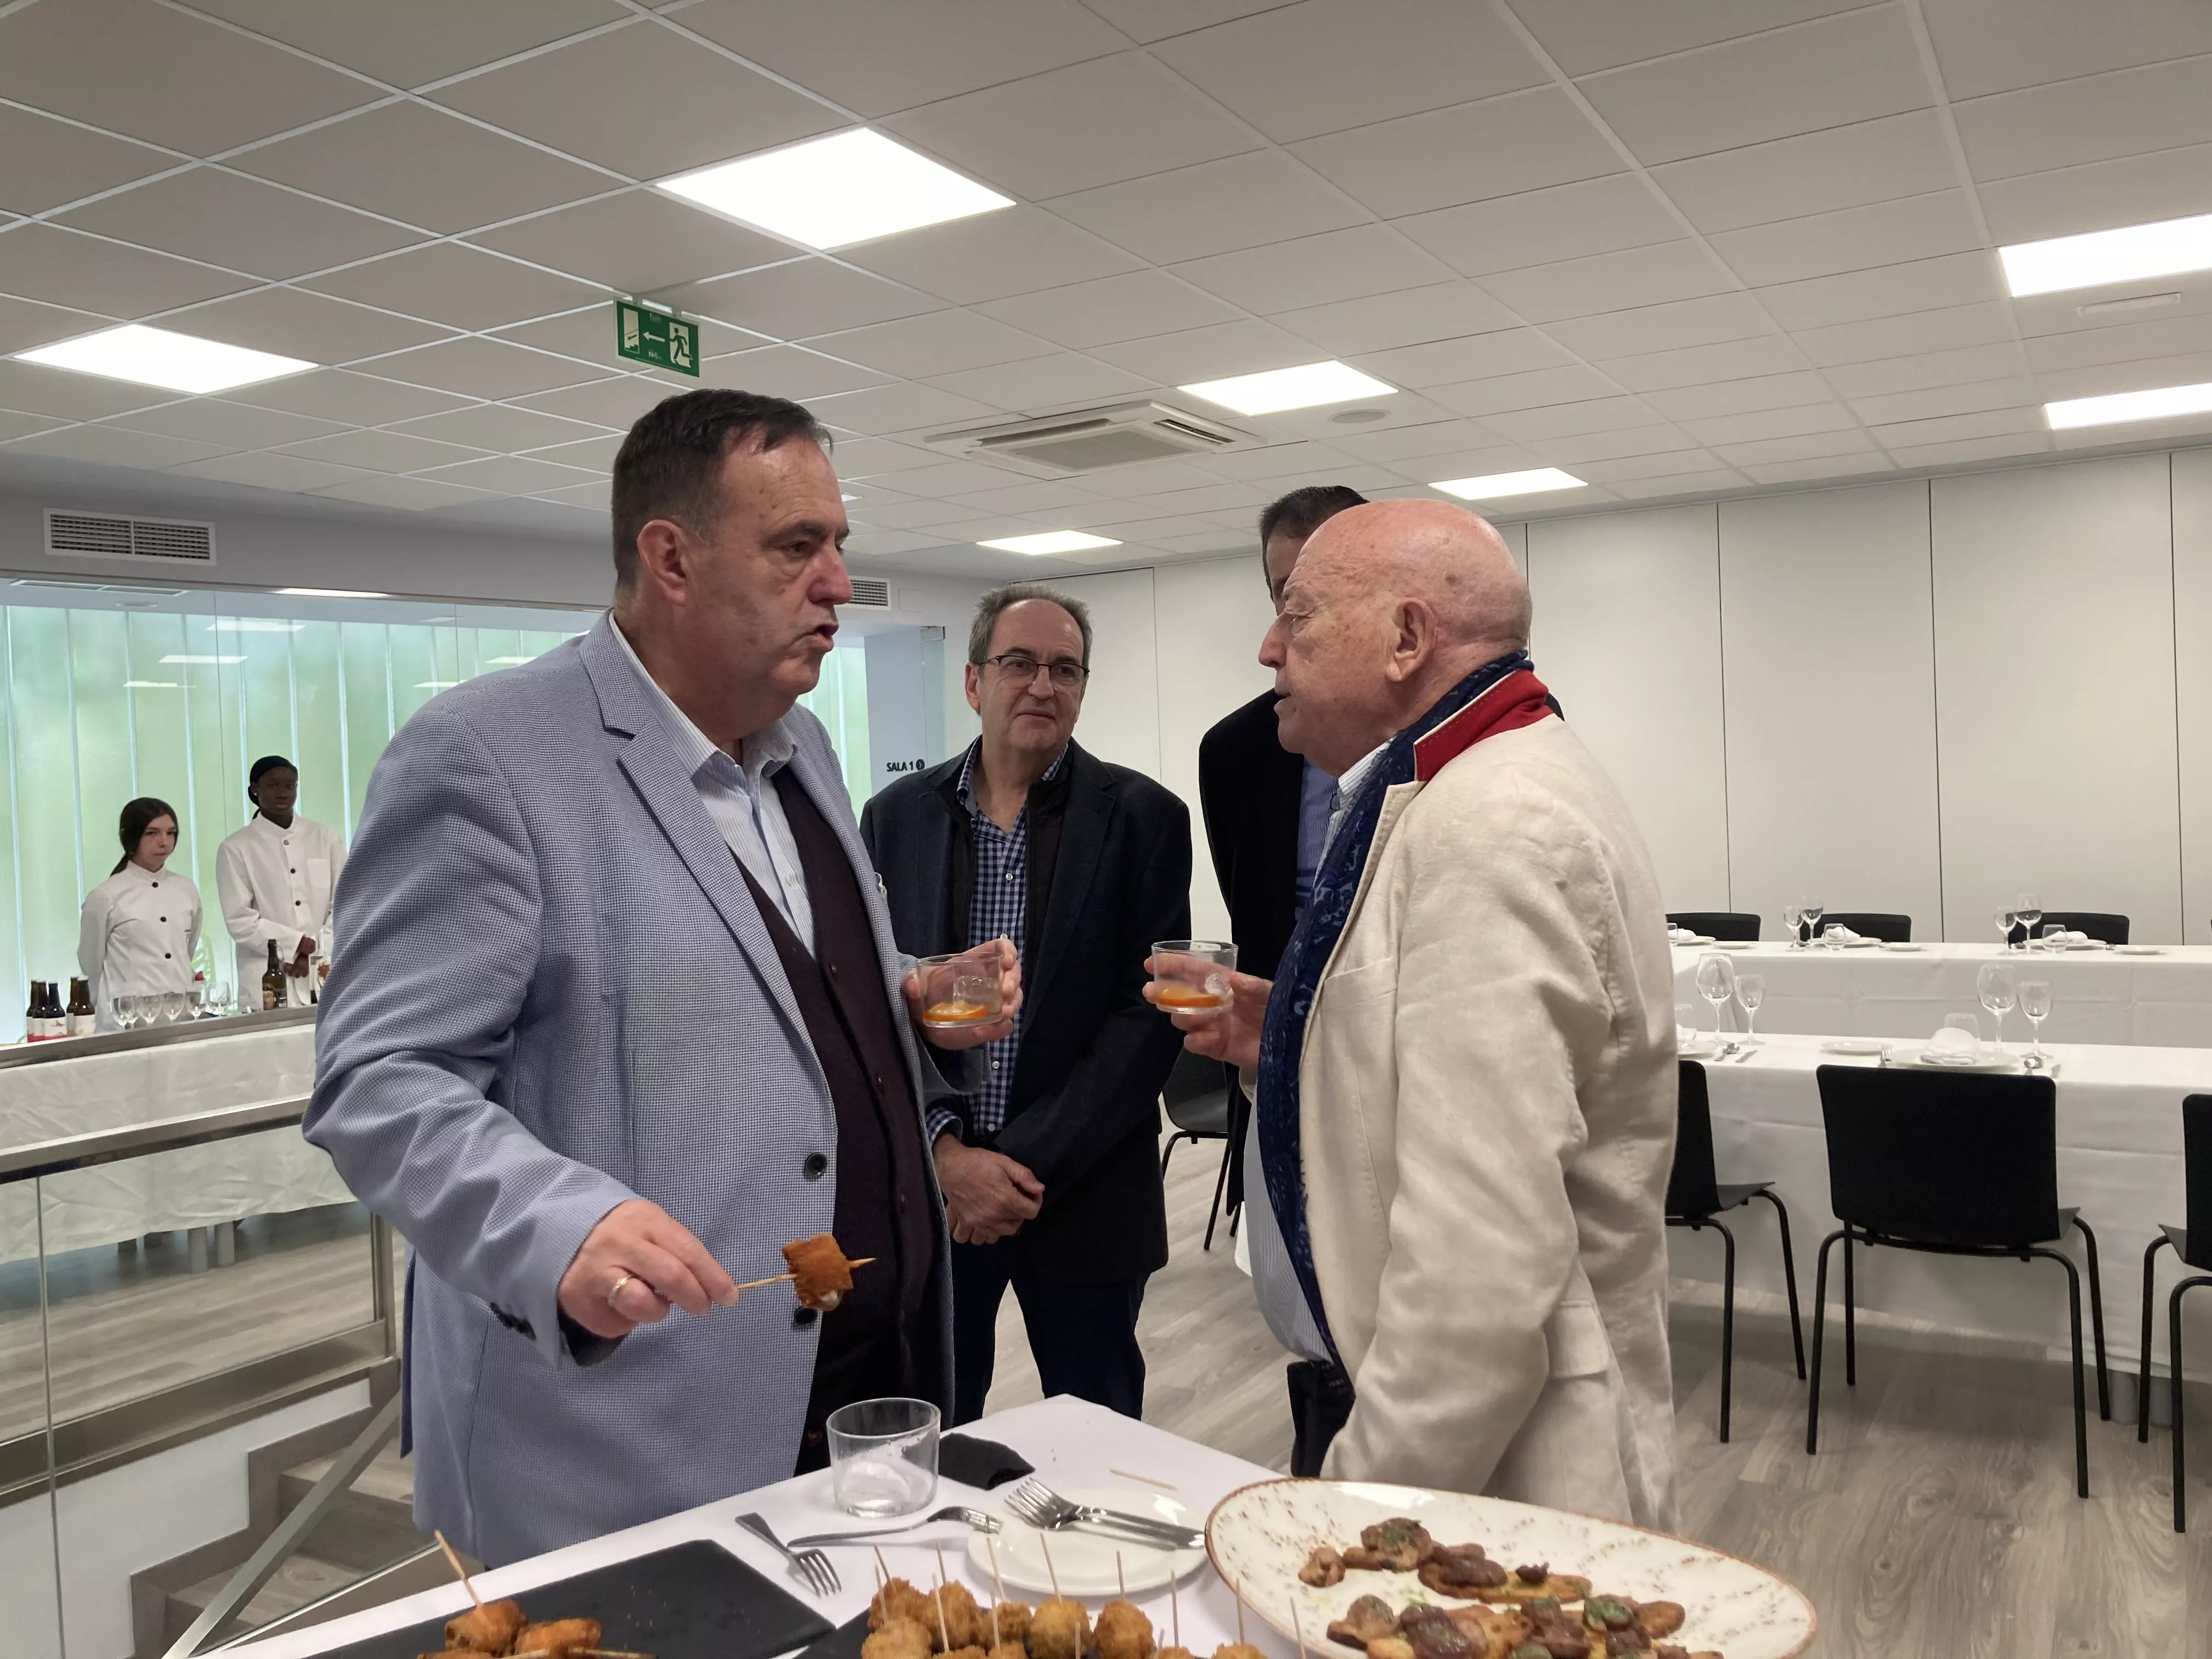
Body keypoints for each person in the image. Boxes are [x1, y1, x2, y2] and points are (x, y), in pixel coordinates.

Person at [306, 387, 1016, 1564]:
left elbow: (770, 972)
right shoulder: (487, 757)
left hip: (858, 1401)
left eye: (839, 544)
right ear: (671, 559)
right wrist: (560, 1222)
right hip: (631, 1441)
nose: (839, 583)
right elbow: (378, 1079)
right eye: (797, 546)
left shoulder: (801, 746)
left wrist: (907, 990)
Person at [1155, 499, 1678, 1528]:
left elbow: (1476, 1279)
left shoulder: (1490, 824)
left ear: (1406, 637)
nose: (1269, 647)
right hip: (1492, 1450)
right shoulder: (1476, 781)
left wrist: (1353, 1508)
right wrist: (1297, 1039)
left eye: (1299, 616)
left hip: (1500, 1480)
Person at [862, 583, 1190, 1424]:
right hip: (938, 1194)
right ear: (974, 681)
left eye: (1065, 669)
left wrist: (1011, 1166)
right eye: (1019, 663)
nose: (1043, 685)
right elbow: (875, 1002)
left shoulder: (1145, 819)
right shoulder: (895, 818)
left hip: (1084, 1189)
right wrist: (947, 1156)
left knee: (1097, 1432)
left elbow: (1146, 1017)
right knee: (934, 1424)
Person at [1195, 483, 1364, 1476]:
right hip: (1284, 1065)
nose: (1279, 635)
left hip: (1397, 1080)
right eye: (1277, 598)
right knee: (1304, 1306)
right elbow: (1258, 923)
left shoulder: (1455, 759)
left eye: (1307, 601)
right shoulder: (1236, 753)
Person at [215, 755, 346, 1005]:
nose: (283, 792)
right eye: (273, 785)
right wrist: (296, 944)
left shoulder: (326, 838)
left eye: (290, 786)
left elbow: (345, 905)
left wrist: (313, 950)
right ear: (255, 789)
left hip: (323, 972)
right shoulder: (236, 848)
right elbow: (240, 920)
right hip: (266, 975)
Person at [80, 796, 202, 1024]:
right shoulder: (106, 895)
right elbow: (90, 964)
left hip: (181, 1012)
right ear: (131, 836)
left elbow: (187, 949)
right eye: (152, 833)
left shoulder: (186, 889)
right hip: (127, 1017)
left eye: (171, 833)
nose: (164, 842)